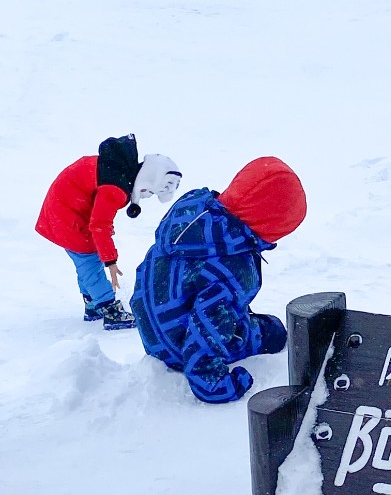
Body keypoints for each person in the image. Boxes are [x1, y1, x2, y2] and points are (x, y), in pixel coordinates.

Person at [130, 157, 306, 403]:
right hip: (175, 346)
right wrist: (218, 386)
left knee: (224, 305)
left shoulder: (195, 213)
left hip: (152, 326)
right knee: (273, 332)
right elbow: (205, 335)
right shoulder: (231, 270)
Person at [34, 136, 181, 330]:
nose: (146, 197)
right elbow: (99, 225)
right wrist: (110, 261)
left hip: (65, 211)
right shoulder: (116, 188)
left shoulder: (121, 171)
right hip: (66, 217)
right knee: (89, 262)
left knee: (86, 262)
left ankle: (93, 304)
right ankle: (111, 311)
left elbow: (99, 218)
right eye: (150, 193)